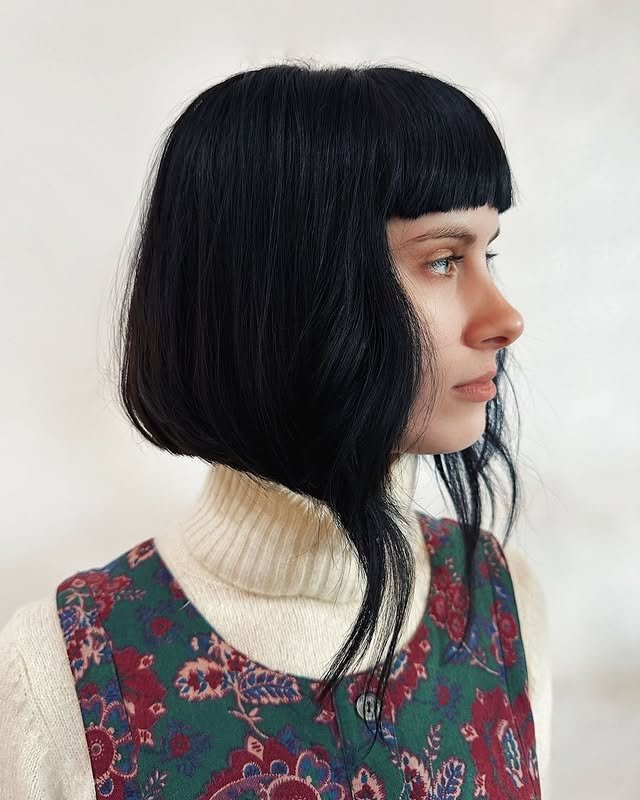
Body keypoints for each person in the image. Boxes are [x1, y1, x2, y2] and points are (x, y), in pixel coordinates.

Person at [0, 61, 552, 799]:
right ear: (293, 286)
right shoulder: (63, 667)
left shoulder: (502, 601)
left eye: (489, 254)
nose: (505, 318)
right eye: (444, 260)